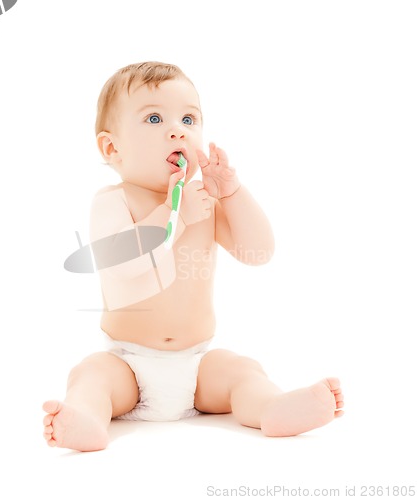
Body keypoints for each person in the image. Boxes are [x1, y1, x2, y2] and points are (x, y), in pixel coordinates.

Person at [42, 62, 344, 451]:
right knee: (91, 375)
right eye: (154, 118)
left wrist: (232, 194)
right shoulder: (113, 201)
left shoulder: (203, 199)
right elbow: (125, 264)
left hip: (198, 364)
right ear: (112, 148)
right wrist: (176, 216)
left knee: (241, 370)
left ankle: (271, 407)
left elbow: (258, 252)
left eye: (189, 118)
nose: (177, 130)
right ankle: (86, 420)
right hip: (129, 362)